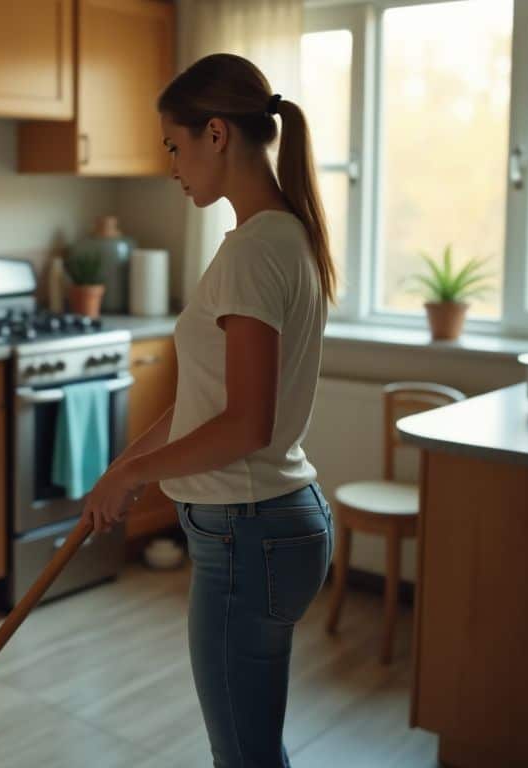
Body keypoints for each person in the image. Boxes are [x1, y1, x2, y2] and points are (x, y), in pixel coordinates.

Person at [78, 53, 337, 768]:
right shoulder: (279, 237)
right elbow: (207, 405)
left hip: (248, 535)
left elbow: (244, 426)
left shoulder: (258, 250)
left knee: (243, 757)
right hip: (269, 527)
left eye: (173, 144)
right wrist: (126, 466)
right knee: (252, 749)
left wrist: (135, 478)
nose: (171, 165)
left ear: (216, 134)